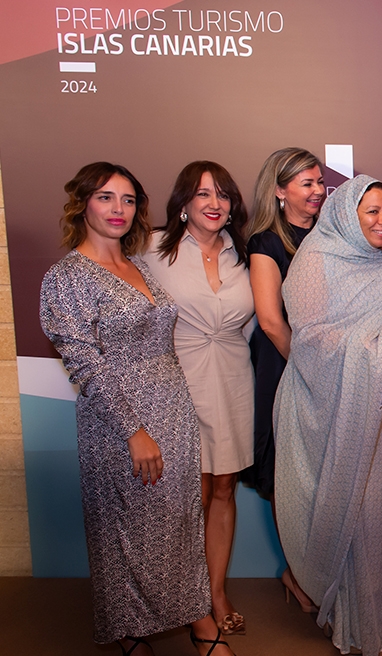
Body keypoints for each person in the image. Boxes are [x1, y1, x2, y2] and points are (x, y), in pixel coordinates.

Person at [39, 162, 234, 656]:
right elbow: (85, 364)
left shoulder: (140, 264)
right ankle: (130, 633)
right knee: (125, 531)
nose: (118, 209)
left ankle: (199, 622)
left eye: (128, 200)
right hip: (120, 421)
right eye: (106, 198)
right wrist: (133, 430)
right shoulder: (65, 277)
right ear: (83, 203)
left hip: (174, 410)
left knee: (179, 525)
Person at [273, 175, 382, 655]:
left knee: (380, 510)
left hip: (377, 402)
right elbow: (311, 339)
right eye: (372, 212)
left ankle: (373, 612)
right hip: (328, 406)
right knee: (349, 510)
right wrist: (377, 344)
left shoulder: (379, 259)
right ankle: (340, 613)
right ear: (345, 214)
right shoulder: (315, 261)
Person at [143, 161, 254, 637]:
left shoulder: (245, 255)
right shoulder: (149, 248)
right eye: (203, 194)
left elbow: (253, 327)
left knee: (223, 489)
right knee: (189, 494)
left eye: (223, 195)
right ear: (183, 202)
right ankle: (182, 600)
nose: (214, 203)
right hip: (176, 379)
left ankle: (214, 591)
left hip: (232, 377)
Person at [241, 147, 325, 612]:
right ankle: (295, 574)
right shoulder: (265, 244)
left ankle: (321, 569)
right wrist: (310, 371)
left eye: (319, 182)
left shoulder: (332, 236)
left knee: (325, 475)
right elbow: (272, 322)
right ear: (279, 190)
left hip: (332, 370)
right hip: (287, 367)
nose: (316, 192)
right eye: (305, 183)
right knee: (289, 475)